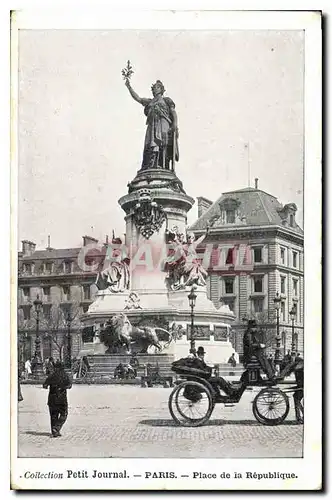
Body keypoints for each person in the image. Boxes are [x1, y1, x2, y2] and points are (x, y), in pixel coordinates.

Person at [125, 79, 179, 170]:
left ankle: (162, 165)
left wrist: (175, 124)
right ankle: (152, 164)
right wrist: (129, 87)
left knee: (162, 143)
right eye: (153, 88)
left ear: (161, 89)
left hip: (163, 124)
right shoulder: (150, 101)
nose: (154, 89)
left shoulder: (167, 100)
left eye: (157, 87)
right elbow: (138, 98)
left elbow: (173, 112)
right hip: (152, 126)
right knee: (151, 143)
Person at [43, 360, 72, 438]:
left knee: (53, 416)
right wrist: (62, 387)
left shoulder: (51, 375)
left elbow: (44, 385)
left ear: (55, 367)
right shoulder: (65, 375)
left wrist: (51, 385)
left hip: (52, 399)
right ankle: (57, 428)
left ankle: (54, 431)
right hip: (62, 399)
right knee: (64, 414)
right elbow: (69, 385)